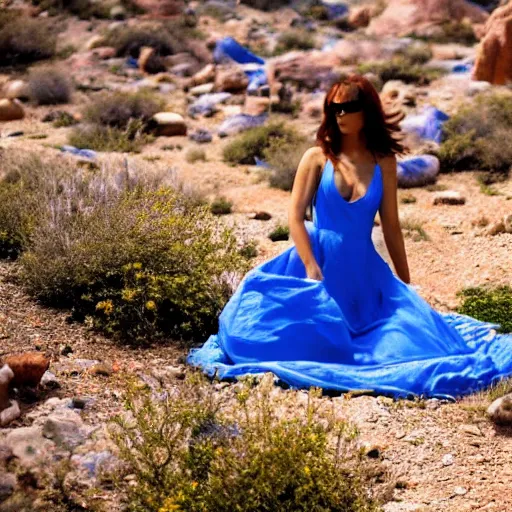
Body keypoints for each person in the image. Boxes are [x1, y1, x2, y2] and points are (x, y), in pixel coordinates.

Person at [186, 74, 512, 401]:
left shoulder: (383, 161)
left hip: (364, 272)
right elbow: (295, 218)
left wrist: (407, 284)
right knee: (268, 339)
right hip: (315, 263)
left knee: (413, 345)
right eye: (335, 108)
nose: (340, 114)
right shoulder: (317, 158)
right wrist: (312, 268)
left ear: (366, 110)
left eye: (349, 107)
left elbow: (392, 227)